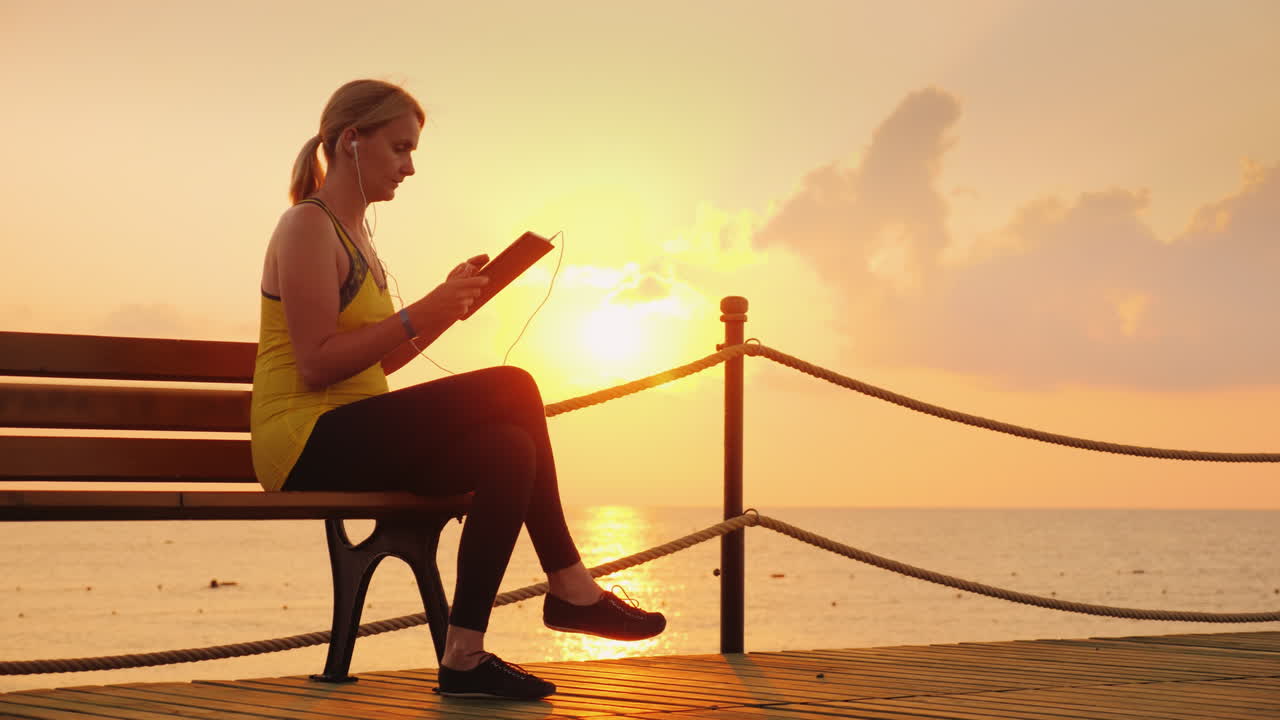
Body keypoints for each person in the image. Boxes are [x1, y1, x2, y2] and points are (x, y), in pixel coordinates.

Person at [250, 79, 665, 701]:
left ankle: (463, 657)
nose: (409, 167)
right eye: (399, 148)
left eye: (412, 151)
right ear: (350, 142)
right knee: (515, 386)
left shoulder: (359, 236)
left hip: (353, 427)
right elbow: (314, 366)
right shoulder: (307, 227)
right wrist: (422, 310)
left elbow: (381, 360)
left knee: (508, 451)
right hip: (303, 440)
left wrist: (449, 308)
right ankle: (571, 585)